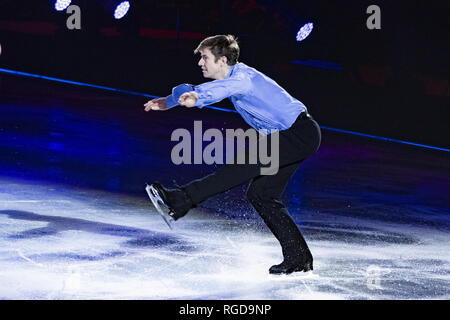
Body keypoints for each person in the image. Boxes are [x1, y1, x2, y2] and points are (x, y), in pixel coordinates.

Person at [144, 35, 321, 275]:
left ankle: (181, 200)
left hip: (297, 134)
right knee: (262, 194)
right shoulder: (236, 78)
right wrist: (169, 102)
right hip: (295, 134)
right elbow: (213, 88)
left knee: (237, 168)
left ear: (223, 60)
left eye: (205, 58)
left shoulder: (242, 78)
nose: (200, 63)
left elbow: (221, 89)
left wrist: (196, 97)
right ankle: (298, 257)